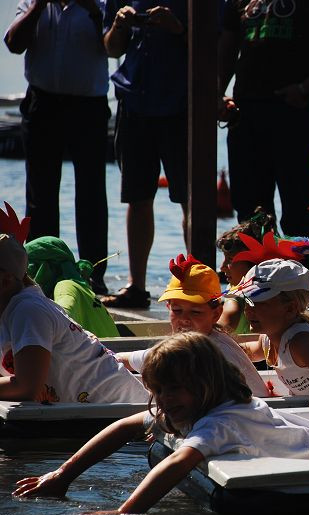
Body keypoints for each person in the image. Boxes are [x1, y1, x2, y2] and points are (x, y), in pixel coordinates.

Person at [13, 332, 309, 514]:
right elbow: (124, 425)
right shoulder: (199, 405)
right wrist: (61, 476)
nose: (163, 400)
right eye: (157, 390)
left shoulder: (222, 419)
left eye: (174, 389)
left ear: (205, 384)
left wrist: (123, 513)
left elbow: (178, 463)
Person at [219, 0, 309, 274]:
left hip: (293, 115)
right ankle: (258, 286)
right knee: (250, 212)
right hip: (244, 115)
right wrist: (217, 94)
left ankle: (298, 289)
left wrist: (305, 88)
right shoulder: (237, 3)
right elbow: (227, 51)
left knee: (297, 211)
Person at [4, 0, 112, 294]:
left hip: (88, 105)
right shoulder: (33, 3)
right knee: (40, 194)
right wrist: (38, 7)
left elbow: (114, 46)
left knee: (91, 192)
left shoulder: (100, 4)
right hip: (43, 103)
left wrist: (92, 11)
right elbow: (14, 44)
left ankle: (94, 273)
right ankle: (41, 268)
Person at [101, 1, 190, 309]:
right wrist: (120, 24)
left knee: (190, 198)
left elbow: (218, 44)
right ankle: (136, 286)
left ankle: (196, 283)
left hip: (183, 104)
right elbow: (111, 49)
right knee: (137, 197)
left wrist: (178, 28)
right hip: (135, 102)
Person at [0, 233, 147, 404]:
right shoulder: (11, 308)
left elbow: (26, 388)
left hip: (119, 408)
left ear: (6, 280)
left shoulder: (27, 311)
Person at [116, 253, 271, 397]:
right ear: (168, 308)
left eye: (195, 312)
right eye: (177, 310)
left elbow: (126, 360)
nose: (184, 319)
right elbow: (129, 359)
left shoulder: (191, 351)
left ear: (216, 314)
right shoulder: (217, 337)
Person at [231, 259, 309, 401]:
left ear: (290, 308)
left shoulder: (300, 342)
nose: (247, 309)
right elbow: (248, 352)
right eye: (247, 301)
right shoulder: (268, 338)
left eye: (259, 303)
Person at [25, 236, 118, 338]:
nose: (26, 277)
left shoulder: (65, 287)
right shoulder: (81, 287)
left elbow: (61, 318)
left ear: (48, 267)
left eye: (29, 269)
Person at [216, 211, 279, 334]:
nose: (222, 267)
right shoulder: (279, 292)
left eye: (229, 260)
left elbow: (226, 321)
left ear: (254, 265)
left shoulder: (236, 298)